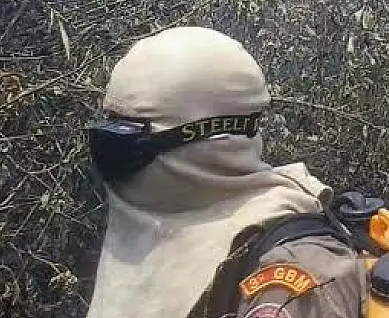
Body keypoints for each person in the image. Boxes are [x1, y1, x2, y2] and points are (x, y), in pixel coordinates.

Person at [82, 26, 366, 318]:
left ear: (212, 138)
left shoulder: (292, 272)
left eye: (129, 134)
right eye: (111, 126)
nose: (109, 149)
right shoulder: (150, 225)